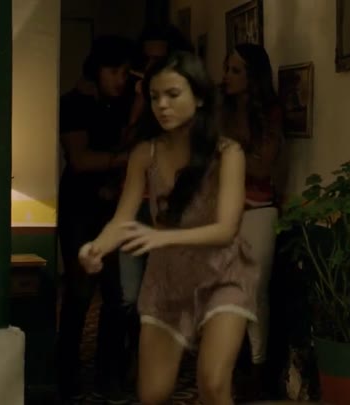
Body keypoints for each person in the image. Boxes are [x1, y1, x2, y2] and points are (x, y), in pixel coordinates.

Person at [79, 51, 258, 405]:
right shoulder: (144, 153)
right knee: (152, 394)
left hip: (222, 274)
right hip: (167, 278)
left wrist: (161, 236)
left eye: (173, 94)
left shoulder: (228, 152)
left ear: (200, 97)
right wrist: (96, 247)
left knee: (213, 383)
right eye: (155, 97)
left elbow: (226, 229)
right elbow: (123, 219)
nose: (162, 105)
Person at [56, 35, 134, 401]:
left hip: (114, 204)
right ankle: (67, 376)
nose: (121, 79)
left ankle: (108, 375)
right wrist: (125, 160)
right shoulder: (73, 103)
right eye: (114, 71)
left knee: (117, 294)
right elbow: (80, 160)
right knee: (79, 292)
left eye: (125, 72)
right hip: (79, 206)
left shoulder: (122, 103)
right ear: (97, 70)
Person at [118, 24, 196, 373]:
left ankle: (163, 362)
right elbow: (125, 144)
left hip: (173, 211)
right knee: (130, 293)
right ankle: (135, 361)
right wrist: (140, 101)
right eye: (147, 59)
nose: (151, 66)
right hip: (136, 208)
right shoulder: (138, 99)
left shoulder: (187, 107)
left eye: (159, 59)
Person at [220, 42, 284, 399]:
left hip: (258, 210)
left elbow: (262, 167)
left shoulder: (268, 112)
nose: (226, 77)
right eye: (226, 69)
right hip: (223, 212)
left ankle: (258, 370)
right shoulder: (220, 109)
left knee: (254, 291)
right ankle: (232, 368)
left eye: (235, 71)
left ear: (253, 76)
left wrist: (228, 149)